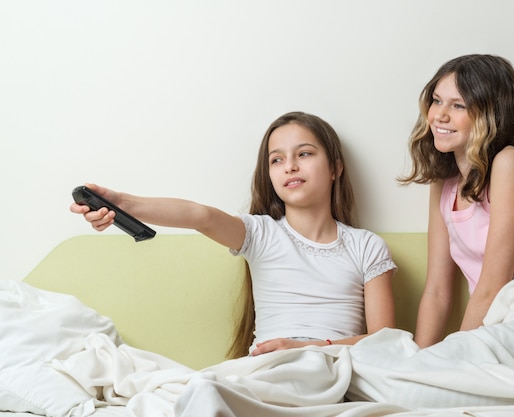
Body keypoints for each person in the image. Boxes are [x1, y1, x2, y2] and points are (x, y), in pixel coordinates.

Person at [70, 111, 396, 358]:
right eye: (277, 159)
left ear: (335, 169)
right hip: (268, 368)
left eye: (305, 154)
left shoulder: (366, 247)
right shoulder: (260, 233)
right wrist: (123, 204)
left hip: (334, 364)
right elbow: (200, 215)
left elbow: (385, 340)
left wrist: (308, 347)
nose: (290, 166)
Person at [398, 54, 514, 348]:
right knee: (402, 374)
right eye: (437, 101)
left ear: (492, 113)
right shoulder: (444, 182)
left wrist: (455, 355)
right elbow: (437, 290)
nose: (439, 115)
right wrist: (419, 358)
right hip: (495, 322)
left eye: (458, 105)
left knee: (448, 379)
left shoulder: (511, 163)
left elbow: (494, 284)